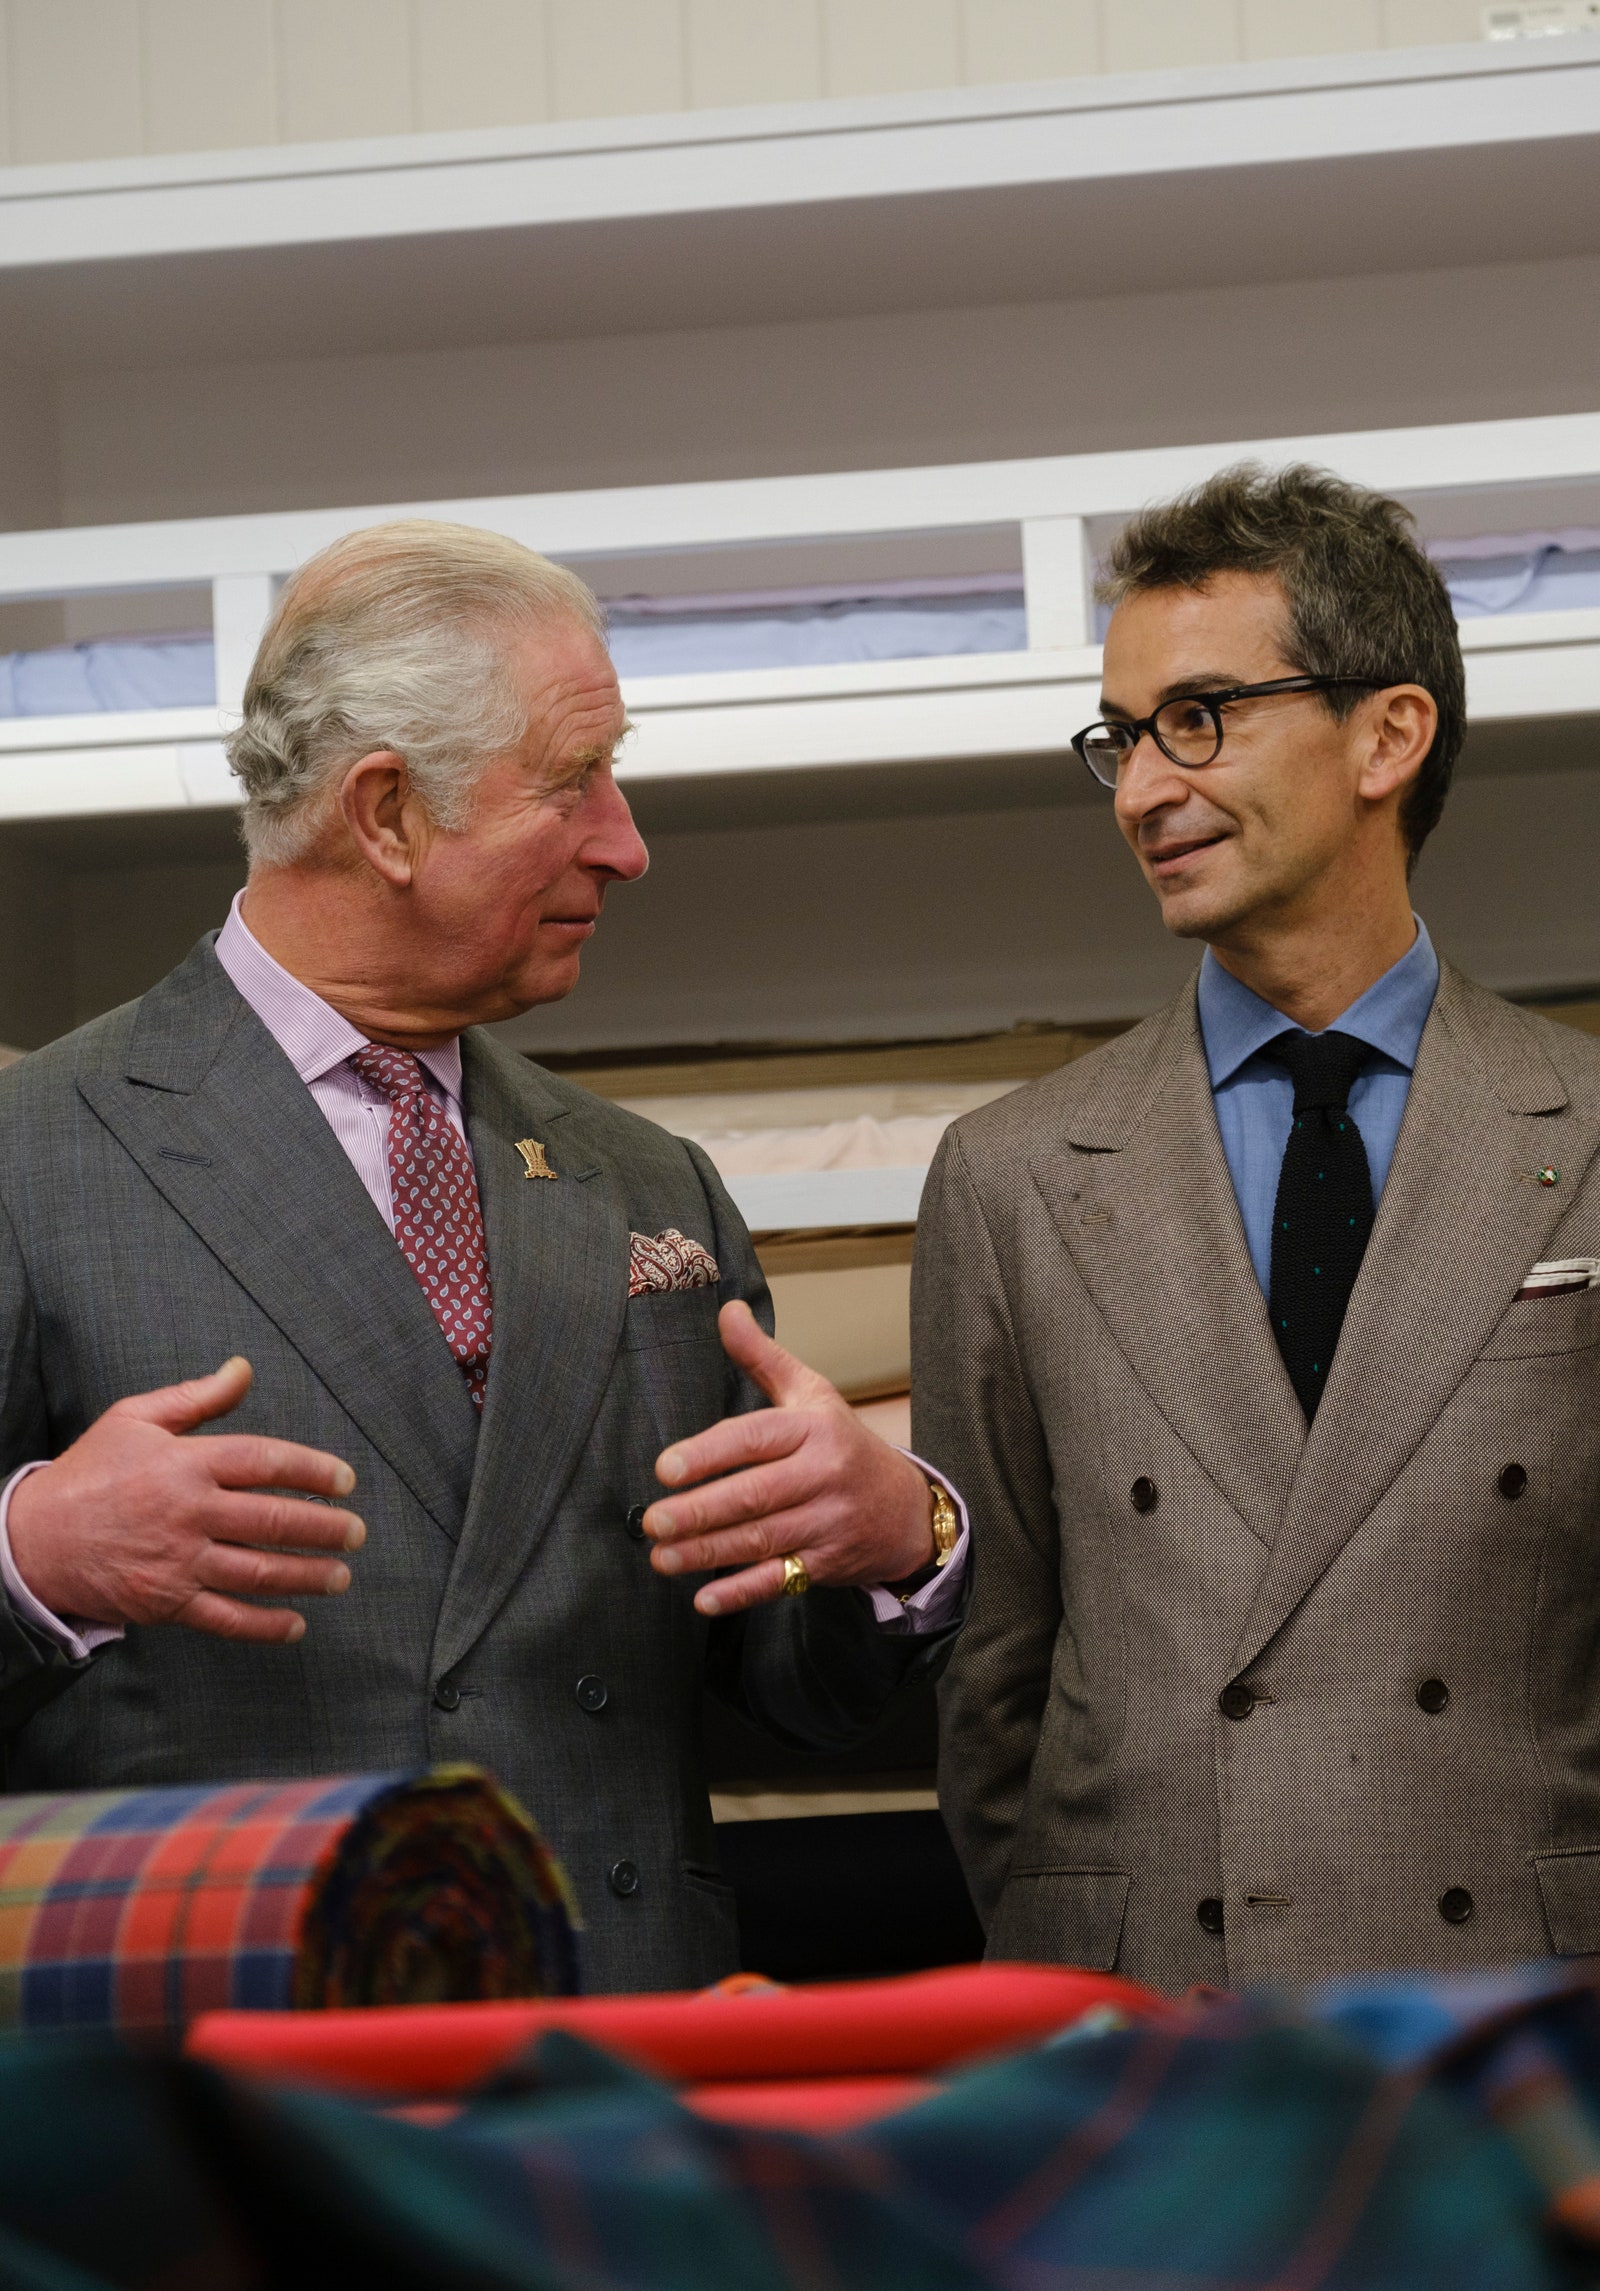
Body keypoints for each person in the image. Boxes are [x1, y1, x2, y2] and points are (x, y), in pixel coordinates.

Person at [0, 521, 965, 1993]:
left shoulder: (652, 1184)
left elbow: (792, 1687)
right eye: (573, 779)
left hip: (618, 2063)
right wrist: (36, 1555)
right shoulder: (35, 1149)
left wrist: (901, 1537)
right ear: (384, 812)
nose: (627, 843)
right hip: (219, 2082)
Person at [921, 462, 1600, 1989]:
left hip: (1527, 2021)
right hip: (1156, 2021)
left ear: (1387, 733)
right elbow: (994, 1687)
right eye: (1122, 738)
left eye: (1201, 718)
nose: (1147, 788)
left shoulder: (1586, 1125)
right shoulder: (1012, 1174)